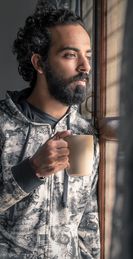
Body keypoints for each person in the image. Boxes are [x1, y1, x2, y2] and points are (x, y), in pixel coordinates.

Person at [0, 4, 100, 259]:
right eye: (70, 55)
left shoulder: (84, 132)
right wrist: (31, 170)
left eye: (87, 55)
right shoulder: (2, 123)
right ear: (39, 62)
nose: (85, 66)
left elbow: (87, 221)